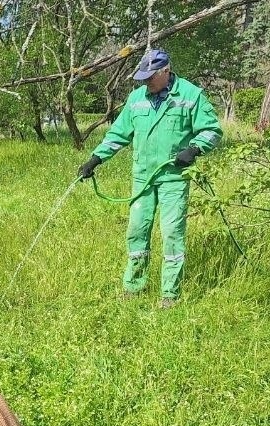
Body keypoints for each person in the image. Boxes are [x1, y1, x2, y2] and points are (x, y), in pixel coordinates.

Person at [77, 48, 222, 309]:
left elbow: (212, 131)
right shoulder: (137, 99)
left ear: (165, 71)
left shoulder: (190, 95)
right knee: (136, 231)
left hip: (173, 178)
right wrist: (95, 159)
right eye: (142, 77)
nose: (145, 82)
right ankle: (133, 286)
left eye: (150, 77)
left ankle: (170, 294)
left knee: (172, 234)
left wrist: (195, 148)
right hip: (142, 178)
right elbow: (118, 134)